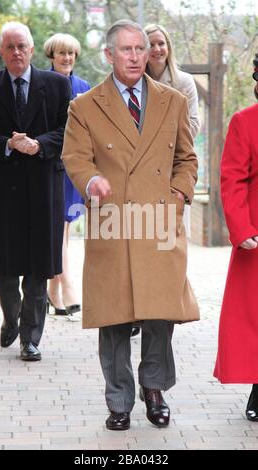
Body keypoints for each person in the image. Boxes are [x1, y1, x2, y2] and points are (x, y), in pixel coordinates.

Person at [62, 19, 199, 430]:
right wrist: (90, 181)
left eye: (140, 48)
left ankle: (154, 389)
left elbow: (187, 159)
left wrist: (178, 195)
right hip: (113, 221)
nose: (136, 56)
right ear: (109, 55)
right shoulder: (84, 106)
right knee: (115, 317)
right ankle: (119, 400)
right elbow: (75, 158)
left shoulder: (172, 101)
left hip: (159, 219)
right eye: (126, 50)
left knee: (160, 314)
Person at [0, 22, 71, 361]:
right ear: (1, 52)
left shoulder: (56, 85)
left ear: (33, 49)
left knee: (37, 270)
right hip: (1, 193)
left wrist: (40, 144)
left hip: (42, 188)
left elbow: (69, 131)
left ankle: (30, 339)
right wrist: (6, 144)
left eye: (22, 46)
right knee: (3, 274)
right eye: (10, 47)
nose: (17, 52)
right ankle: (12, 317)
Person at [130, 24, 201, 338]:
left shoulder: (183, 83)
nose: (157, 49)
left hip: (170, 176)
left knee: (166, 249)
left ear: (168, 47)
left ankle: (162, 309)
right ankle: (135, 310)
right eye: (151, 44)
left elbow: (193, 125)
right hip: (135, 178)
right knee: (135, 245)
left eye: (161, 43)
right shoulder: (132, 83)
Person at [214, 56, 258, 421]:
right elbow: (232, 180)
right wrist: (242, 228)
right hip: (257, 238)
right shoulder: (244, 122)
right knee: (254, 319)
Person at [43, 33, 90, 316]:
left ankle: (52, 290)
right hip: (49, 165)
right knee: (57, 225)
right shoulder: (40, 83)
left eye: (71, 53)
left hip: (75, 167)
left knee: (64, 226)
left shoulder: (84, 86)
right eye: (62, 53)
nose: (67, 58)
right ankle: (68, 284)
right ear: (51, 56)